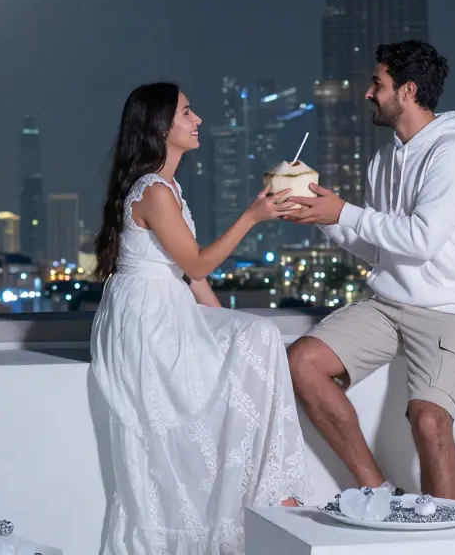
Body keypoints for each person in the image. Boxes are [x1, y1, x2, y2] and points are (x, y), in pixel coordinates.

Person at [90, 82, 313, 555]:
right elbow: (196, 265)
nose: (198, 121)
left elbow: (190, 278)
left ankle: (270, 490)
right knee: (255, 339)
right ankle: (270, 496)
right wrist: (251, 216)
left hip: (167, 307)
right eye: (187, 113)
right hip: (148, 322)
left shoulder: (168, 188)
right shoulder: (153, 191)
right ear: (160, 127)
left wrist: (226, 335)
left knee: (258, 336)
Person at [284, 40, 455, 501]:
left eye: (377, 84)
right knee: (302, 363)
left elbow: (422, 238)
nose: (368, 93)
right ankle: (378, 491)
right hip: (387, 305)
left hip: (449, 309)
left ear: (408, 91)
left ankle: (447, 539)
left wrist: (344, 212)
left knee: (430, 420)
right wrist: (322, 217)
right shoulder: (383, 160)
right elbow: (378, 248)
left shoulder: (453, 152)